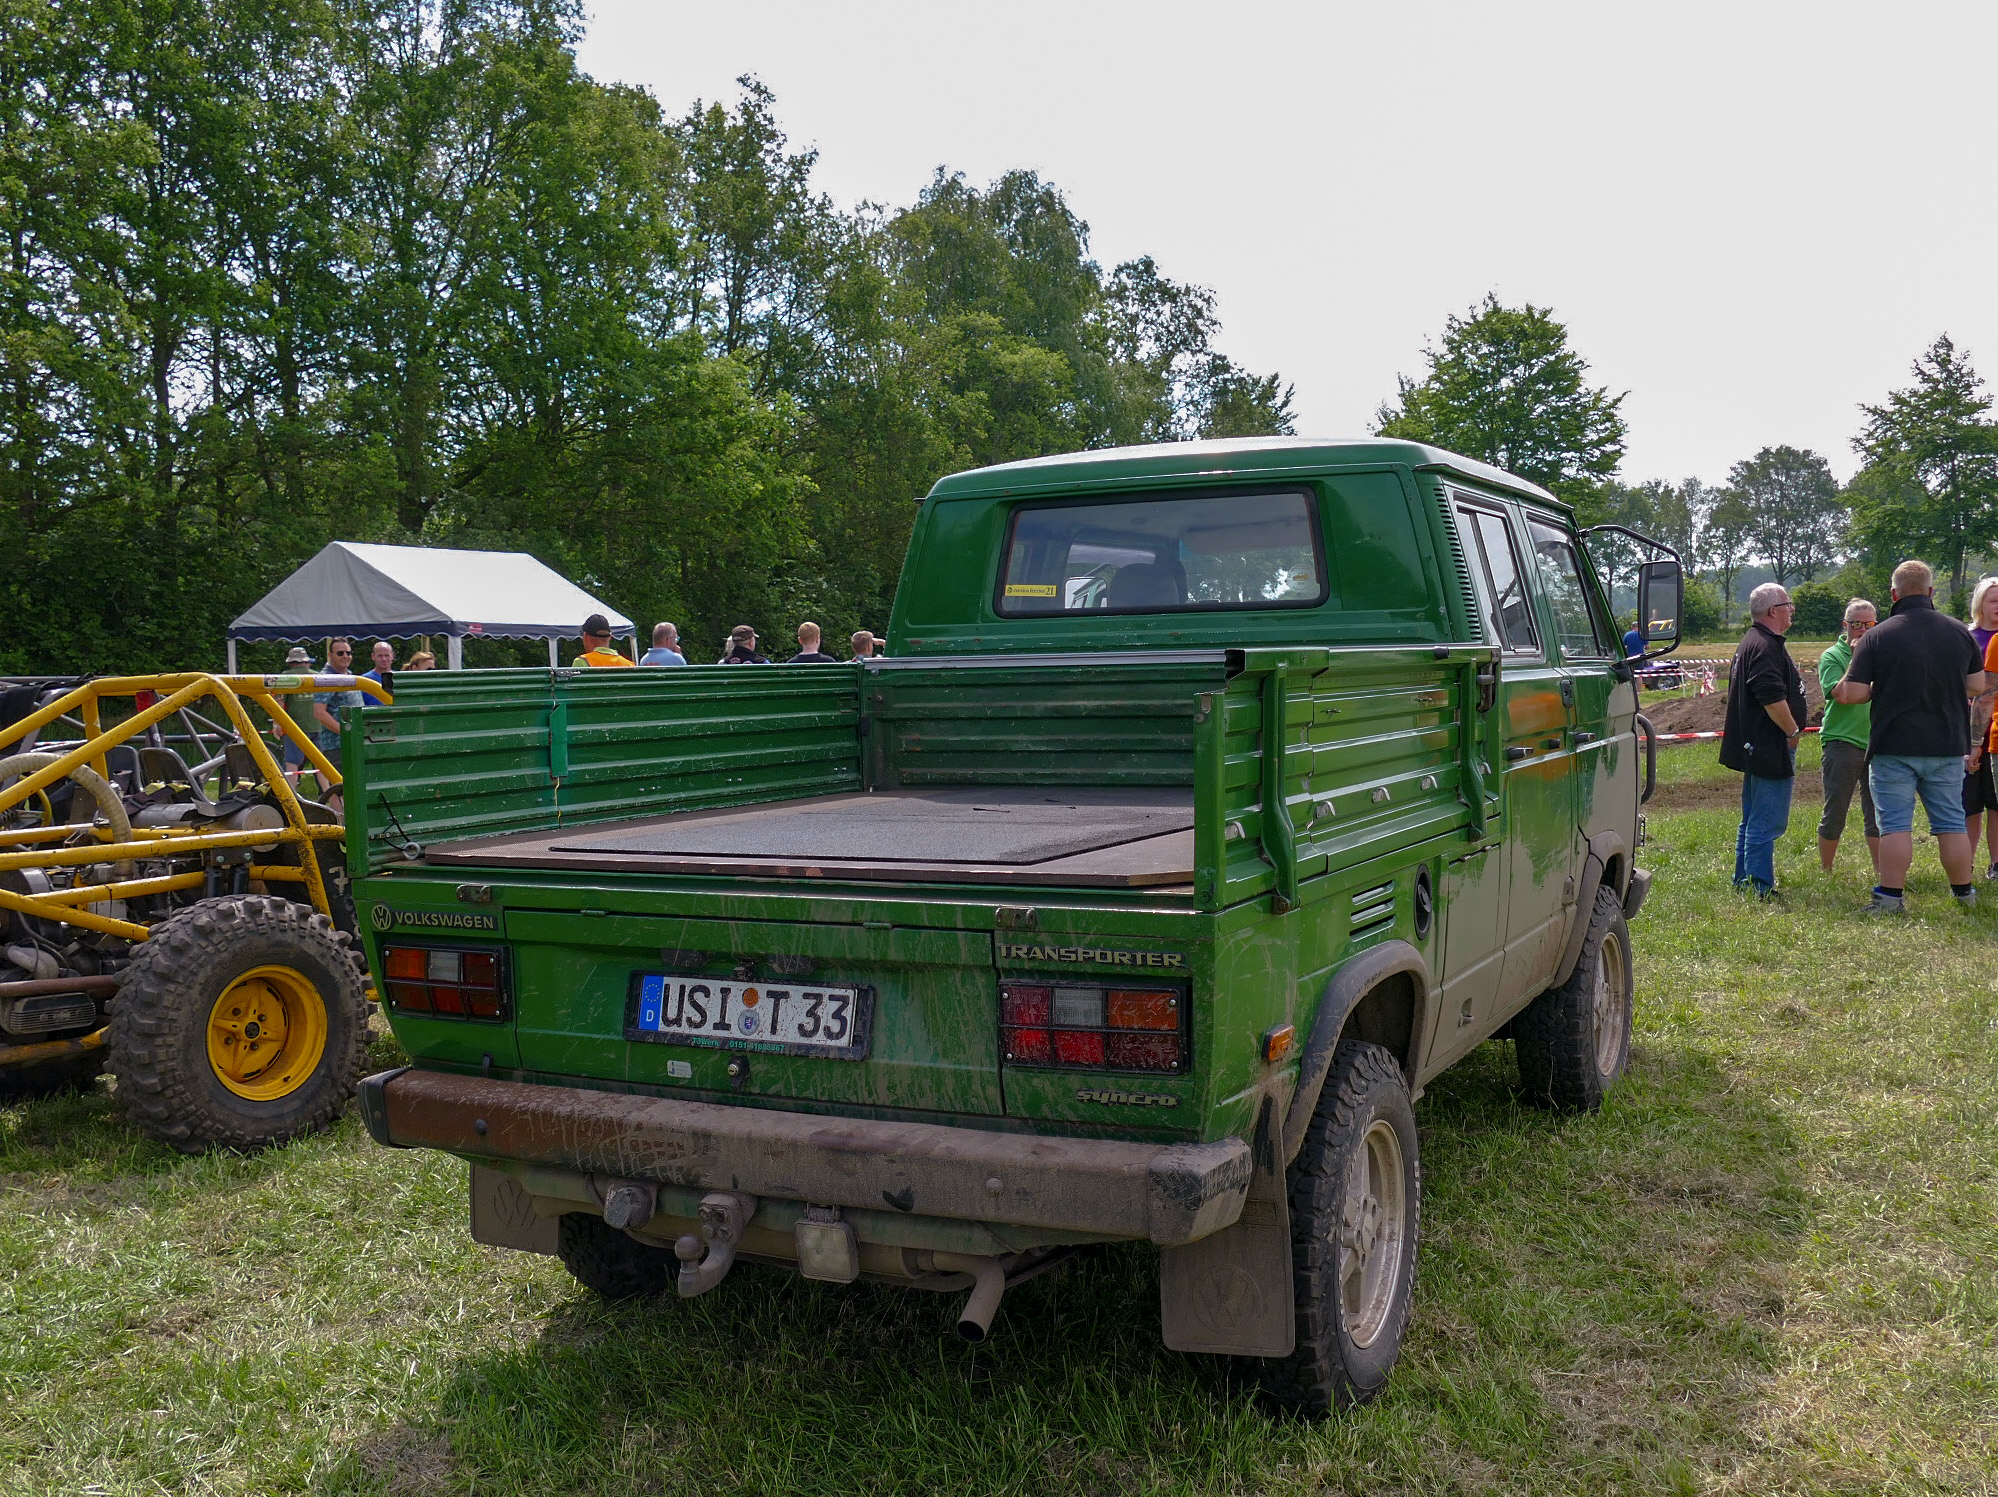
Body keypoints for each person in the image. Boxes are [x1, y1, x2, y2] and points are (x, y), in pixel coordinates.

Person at [1832, 559, 1987, 913]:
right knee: (1950, 822)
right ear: (1932, 592)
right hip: (1946, 745)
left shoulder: (1877, 635)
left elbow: (1852, 694)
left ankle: (1890, 898)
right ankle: (1965, 893)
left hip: (1894, 746)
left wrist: (1879, 687)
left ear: (1893, 594)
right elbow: (1977, 685)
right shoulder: (1958, 631)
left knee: (1895, 824)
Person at [1718, 582, 1806, 898]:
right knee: (1765, 822)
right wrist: (1792, 731)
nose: (1792, 609)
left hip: (1755, 745)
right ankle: (1758, 887)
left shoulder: (1754, 641)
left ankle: (1744, 880)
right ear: (1773, 611)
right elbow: (1770, 696)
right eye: (1788, 604)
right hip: (1770, 746)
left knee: (1753, 818)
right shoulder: (1765, 646)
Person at [1816, 600, 1879, 876]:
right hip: (1842, 742)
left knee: (1877, 815)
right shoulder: (1832, 656)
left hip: (1876, 743)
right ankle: (1826, 871)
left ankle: (1882, 873)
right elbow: (1841, 696)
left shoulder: (1882, 653)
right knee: (1836, 812)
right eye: (1856, 624)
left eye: (1869, 625)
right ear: (1845, 625)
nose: (1863, 630)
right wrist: (1856, 660)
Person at [1965, 577, 1998, 874]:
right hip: (1968, 731)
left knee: (1996, 803)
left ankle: (1996, 863)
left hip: (1996, 734)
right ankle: (1966, 861)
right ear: (1980, 604)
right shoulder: (1967, 637)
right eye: (1993, 600)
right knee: (1969, 803)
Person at [310, 638, 364, 803]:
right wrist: (346, 732)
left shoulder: (349, 675)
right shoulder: (327, 678)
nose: (345, 656)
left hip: (355, 742)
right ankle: (342, 824)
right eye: (340, 653)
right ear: (330, 655)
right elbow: (319, 713)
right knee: (343, 790)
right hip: (337, 746)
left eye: (348, 653)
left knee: (356, 789)